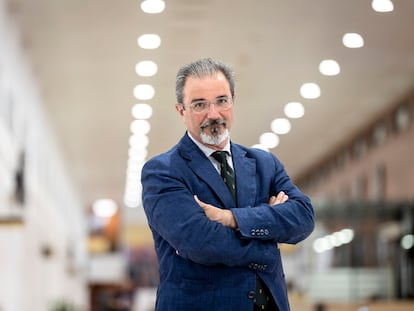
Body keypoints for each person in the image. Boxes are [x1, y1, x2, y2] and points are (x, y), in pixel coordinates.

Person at [141, 58, 315, 311]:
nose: (213, 114)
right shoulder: (163, 172)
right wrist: (269, 240)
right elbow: (199, 242)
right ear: (181, 111)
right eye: (200, 104)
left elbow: (303, 218)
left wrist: (232, 218)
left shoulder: (264, 163)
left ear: (233, 100)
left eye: (222, 101)